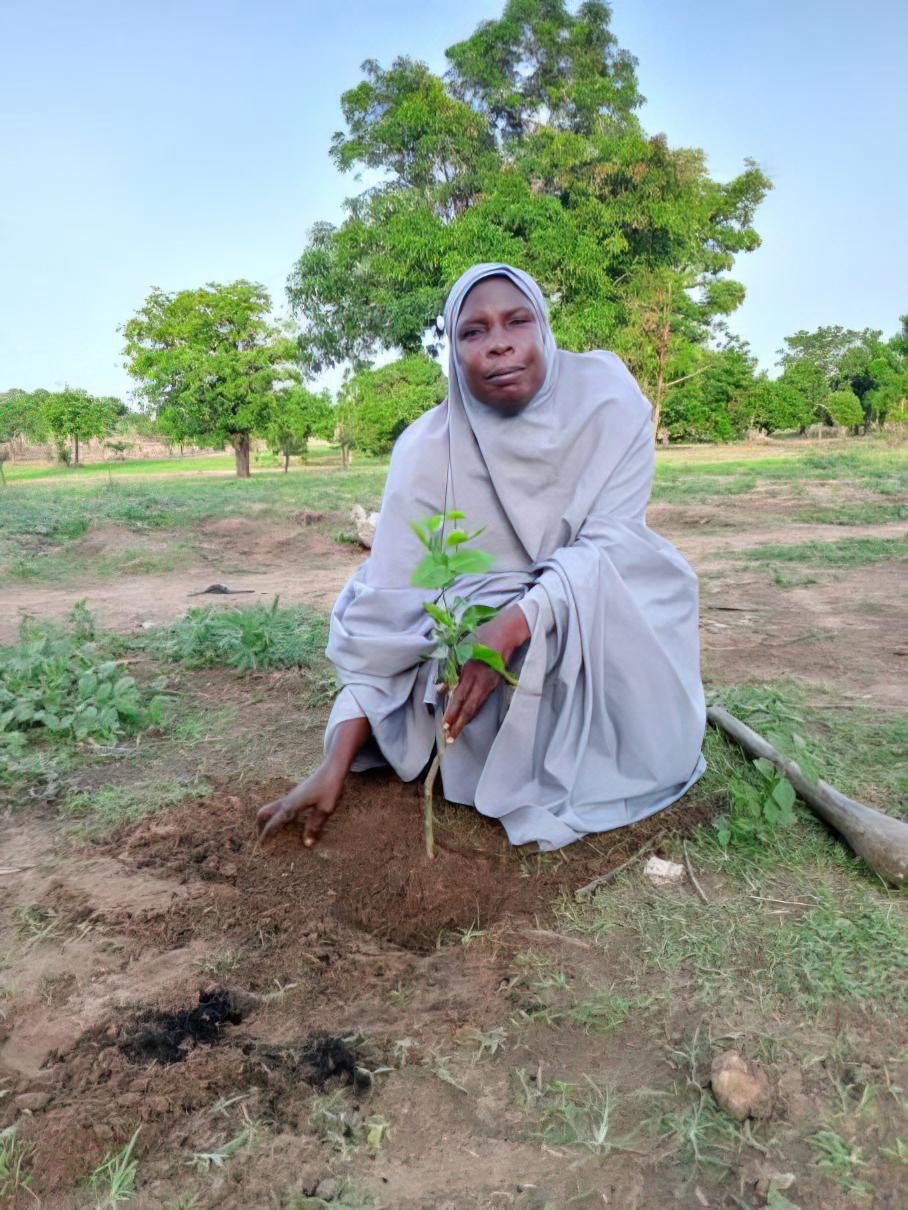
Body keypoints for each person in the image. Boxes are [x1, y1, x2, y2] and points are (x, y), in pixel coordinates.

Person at [257, 263, 706, 851]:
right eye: (473, 331)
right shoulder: (425, 451)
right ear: (453, 351)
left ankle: (617, 734)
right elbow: (385, 622)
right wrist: (333, 763)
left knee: (654, 579)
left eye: (517, 321)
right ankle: (486, 749)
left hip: (594, 639)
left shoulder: (608, 403)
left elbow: (614, 547)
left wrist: (513, 624)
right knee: (457, 616)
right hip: (470, 681)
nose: (499, 342)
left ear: (543, 328)